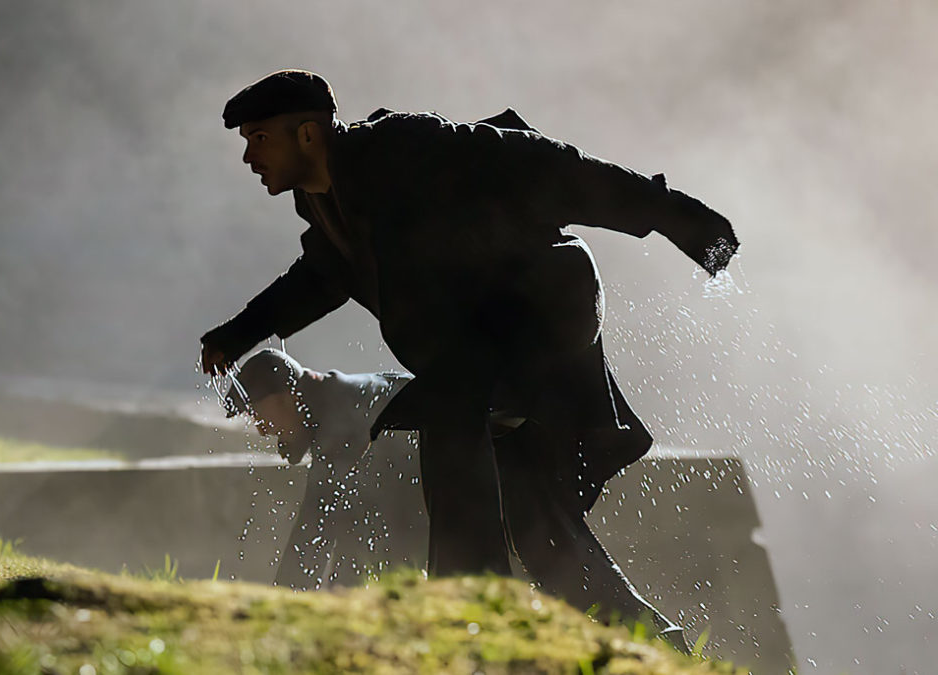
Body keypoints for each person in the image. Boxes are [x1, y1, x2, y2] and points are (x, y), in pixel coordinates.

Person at [199, 69, 737, 644]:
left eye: (259, 139)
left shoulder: (404, 147)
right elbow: (318, 278)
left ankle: (470, 607)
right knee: (539, 524)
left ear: (307, 134)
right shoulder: (323, 204)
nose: (250, 158)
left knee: (447, 415)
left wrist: (680, 218)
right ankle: (659, 642)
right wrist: (237, 335)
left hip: (539, 307)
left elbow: (541, 163)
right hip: (482, 354)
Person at [221, 348, 413, 590]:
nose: (262, 430)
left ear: (285, 397)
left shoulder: (339, 416)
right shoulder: (332, 399)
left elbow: (314, 529)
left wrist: (284, 604)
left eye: (259, 415)